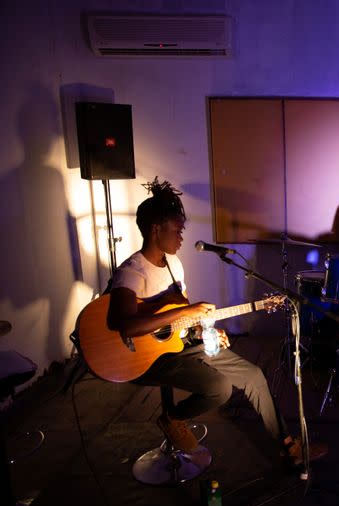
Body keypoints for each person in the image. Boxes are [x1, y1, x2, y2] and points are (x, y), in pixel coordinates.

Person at [107, 178, 325, 472]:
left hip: (180, 345)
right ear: (155, 230)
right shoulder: (132, 272)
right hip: (146, 359)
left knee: (253, 374)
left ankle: (289, 445)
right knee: (219, 388)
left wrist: (205, 329)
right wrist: (181, 315)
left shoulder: (174, 265)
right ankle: (173, 418)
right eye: (177, 229)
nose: (182, 236)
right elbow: (127, 327)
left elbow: (183, 316)